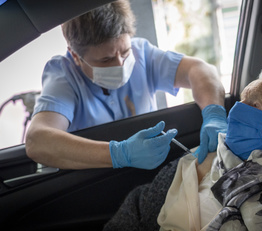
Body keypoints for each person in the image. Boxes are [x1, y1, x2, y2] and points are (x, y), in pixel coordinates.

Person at [103, 67, 262, 231]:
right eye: (241, 101)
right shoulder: (197, 160)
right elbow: (134, 213)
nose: (238, 111)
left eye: (255, 105)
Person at [25, 0, 226, 170]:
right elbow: (37, 141)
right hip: (96, 181)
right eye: (105, 60)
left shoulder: (142, 54)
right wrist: (120, 154)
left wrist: (213, 113)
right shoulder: (64, 75)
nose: (120, 65)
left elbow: (201, 70)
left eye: (125, 52)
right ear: (76, 56)